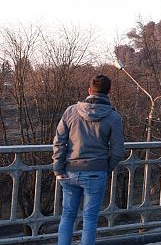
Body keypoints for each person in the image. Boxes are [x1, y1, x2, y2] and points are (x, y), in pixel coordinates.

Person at [52, 75, 125, 245]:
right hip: (95, 172)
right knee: (90, 219)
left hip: (69, 171)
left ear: (89, 90)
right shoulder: (114, 117)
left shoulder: (71, 111)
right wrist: (107, 168)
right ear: (110, 91)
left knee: (67, 216)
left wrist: (58, 168)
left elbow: (59, 141)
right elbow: (118, 150)